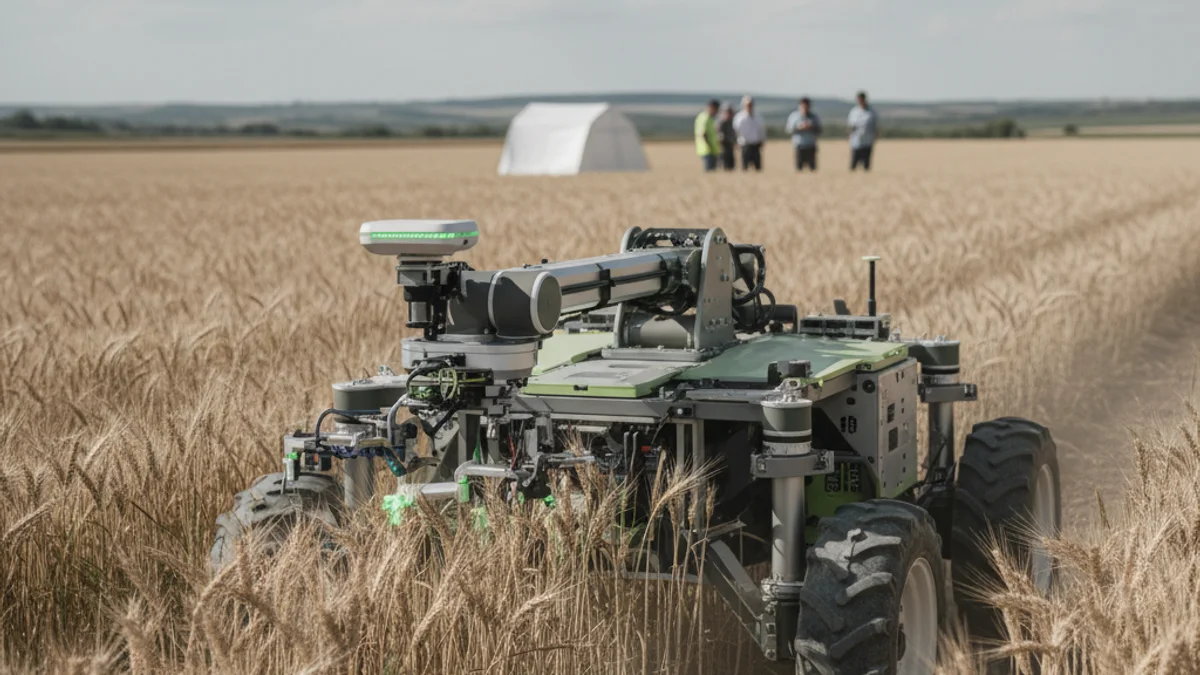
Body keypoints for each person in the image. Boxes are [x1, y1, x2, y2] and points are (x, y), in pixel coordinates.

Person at [786, 97, 822, 171]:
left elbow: (819, 130)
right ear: (800, 106)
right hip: (799, 146)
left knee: (813, 170)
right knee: (798, 169)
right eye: (803, 106)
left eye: (807, 106)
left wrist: (811, 127)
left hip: (811, 146)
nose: (805, 108)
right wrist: (799, 128)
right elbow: (789, 129)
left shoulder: (814, 117)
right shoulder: (794, 117)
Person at [733, 95, 767, 171]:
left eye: (751, 105)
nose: (749, 107)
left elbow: (761, 130)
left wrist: (763, 140)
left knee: (758, 168)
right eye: (747, 105)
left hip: (756, 145)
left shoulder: (758, 117)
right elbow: (735, 131)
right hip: (745, 145)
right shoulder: (739, 118)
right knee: (744, 167)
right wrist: (735, 142)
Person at [847, 90, 878, 171]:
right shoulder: (854, 112)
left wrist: (875, 137)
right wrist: (848, 136)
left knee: (866, 165)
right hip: (856, 141)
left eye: (862, 99)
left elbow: (875, 126)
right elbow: (850, 126)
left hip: (868, 141)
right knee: (853, 165)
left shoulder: (871, 112)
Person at [694, 99, 720, 172]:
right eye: (716, 109)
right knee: (709, 171)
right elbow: (703, 134)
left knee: (713, 172)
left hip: (712, 149)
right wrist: (710, 145)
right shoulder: (705, 118)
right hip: (707, 149)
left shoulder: (709, 118)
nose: (717, 112)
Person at [717, 104, 736, 171]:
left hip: (730, 147)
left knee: (731, 165)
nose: (730, 114)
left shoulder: (732, 122)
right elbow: (719, 135)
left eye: (731, 112)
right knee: (724, 164)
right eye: (728, 112)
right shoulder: (721, 123)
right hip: (723, 147)